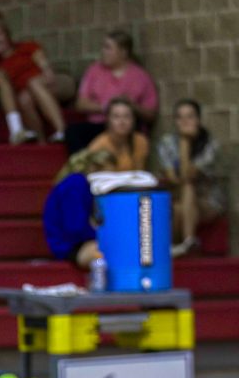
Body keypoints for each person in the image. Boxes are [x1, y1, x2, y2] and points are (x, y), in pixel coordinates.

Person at [43, 99, 149, 270]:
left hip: (86, 237)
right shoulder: (75, 184)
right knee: (112, 251)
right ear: (93, 168)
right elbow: (75, 229)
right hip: (70, 245)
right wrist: (107, 234)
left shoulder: (87, 186)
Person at [0, 16, 74, 143]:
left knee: (33, 82)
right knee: (24, 99)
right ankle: (41, 143)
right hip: (30, 92)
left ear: (7, 34)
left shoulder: (25, 47)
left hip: (55, 81)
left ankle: (63, 130)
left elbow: (44, 64)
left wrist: (46, 69)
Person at [66, 28, 158, 155]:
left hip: (127, 126)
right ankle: (85, 164)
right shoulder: (94, 71)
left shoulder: (140, 76)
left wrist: (131, 105)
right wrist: (106, 106)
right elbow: (80, 104)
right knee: (72, 131)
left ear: (123, 52)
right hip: (100, 125)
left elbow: (151, 114)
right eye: (103, 47)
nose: (103, 52)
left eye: (108, 48)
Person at [155, 99, 227, 258]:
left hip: (208, 200)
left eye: (190, 116)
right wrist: (183, 142)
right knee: (177, 208)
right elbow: (173, 179)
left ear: (198, 120)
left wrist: (184, 142)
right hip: (179, 196)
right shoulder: (166, 143)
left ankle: (184, 243)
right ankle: (187, 245)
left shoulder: (210, 145)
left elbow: (188, 175)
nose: (185, 121)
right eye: (180, 117)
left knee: (188, 186)